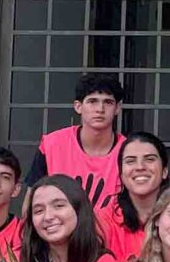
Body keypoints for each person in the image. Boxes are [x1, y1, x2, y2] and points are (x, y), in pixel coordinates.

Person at [26, 73, 127, 212]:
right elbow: (31, 204)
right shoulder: (52, 145)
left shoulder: (130, 151)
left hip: (113, 232)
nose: (100, 109)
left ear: (117, 108)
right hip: (59, 231)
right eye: (92, 101)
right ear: (78, 106)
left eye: (108, 102)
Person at [99, 132, 170, 262]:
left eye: (149, 159)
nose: (140, 167)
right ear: (121, 174)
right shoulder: (103, 221)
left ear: (164, 171)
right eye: (130, 161)